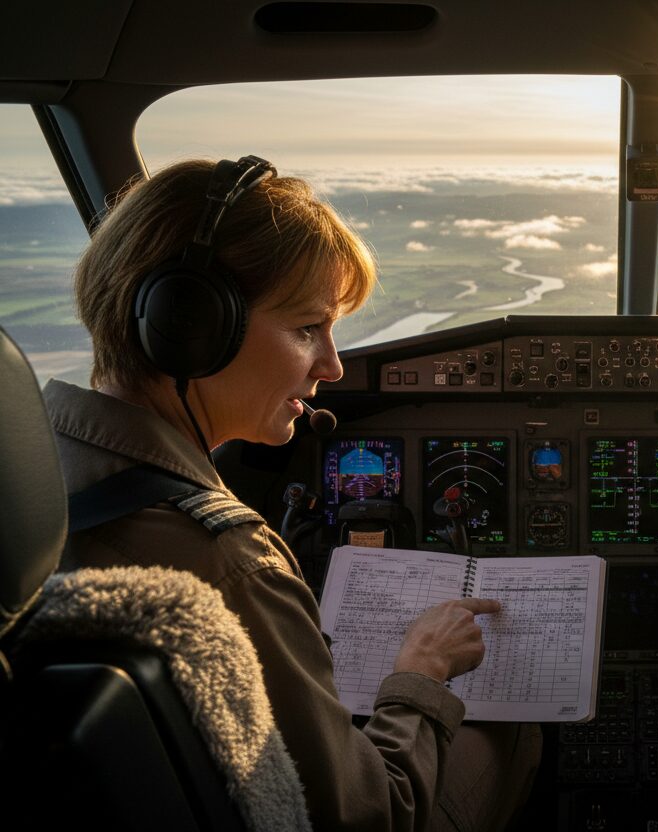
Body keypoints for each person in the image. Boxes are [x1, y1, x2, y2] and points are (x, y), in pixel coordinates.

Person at [44, 157, 541, 831]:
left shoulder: (29, 471)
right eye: (308, 328)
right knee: (516, 726)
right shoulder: (227, 561)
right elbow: (375, 815)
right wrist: (421, 673)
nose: (333, 365)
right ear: (192, 328)